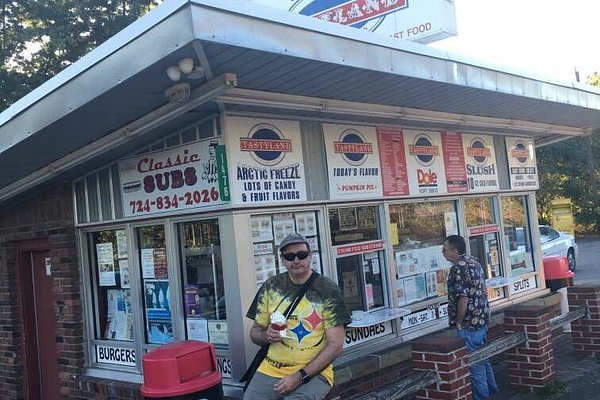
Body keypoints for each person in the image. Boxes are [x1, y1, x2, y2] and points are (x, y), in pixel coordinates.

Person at [243, 233, 351, 400]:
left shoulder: (328, 290)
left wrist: (301, 376)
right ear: (283, 260)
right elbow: (255, 333)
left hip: (313, 372)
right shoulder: (270, 287)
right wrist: (266, 335)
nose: (296, 260)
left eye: (302, 255)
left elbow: (336, 345)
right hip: (271, 368)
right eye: (290, 256)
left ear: (310, 258)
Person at [443, 235, 499, 400]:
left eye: (445, 249)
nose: (443, 253)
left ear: (455, 251)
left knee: (474, 363)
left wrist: (459, 322)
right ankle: (492, 389)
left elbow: (463, 298)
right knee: (483, 357)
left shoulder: (458, 269)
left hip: (469, 323)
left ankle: (482, 396)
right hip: (481, 318)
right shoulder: (473, 261)